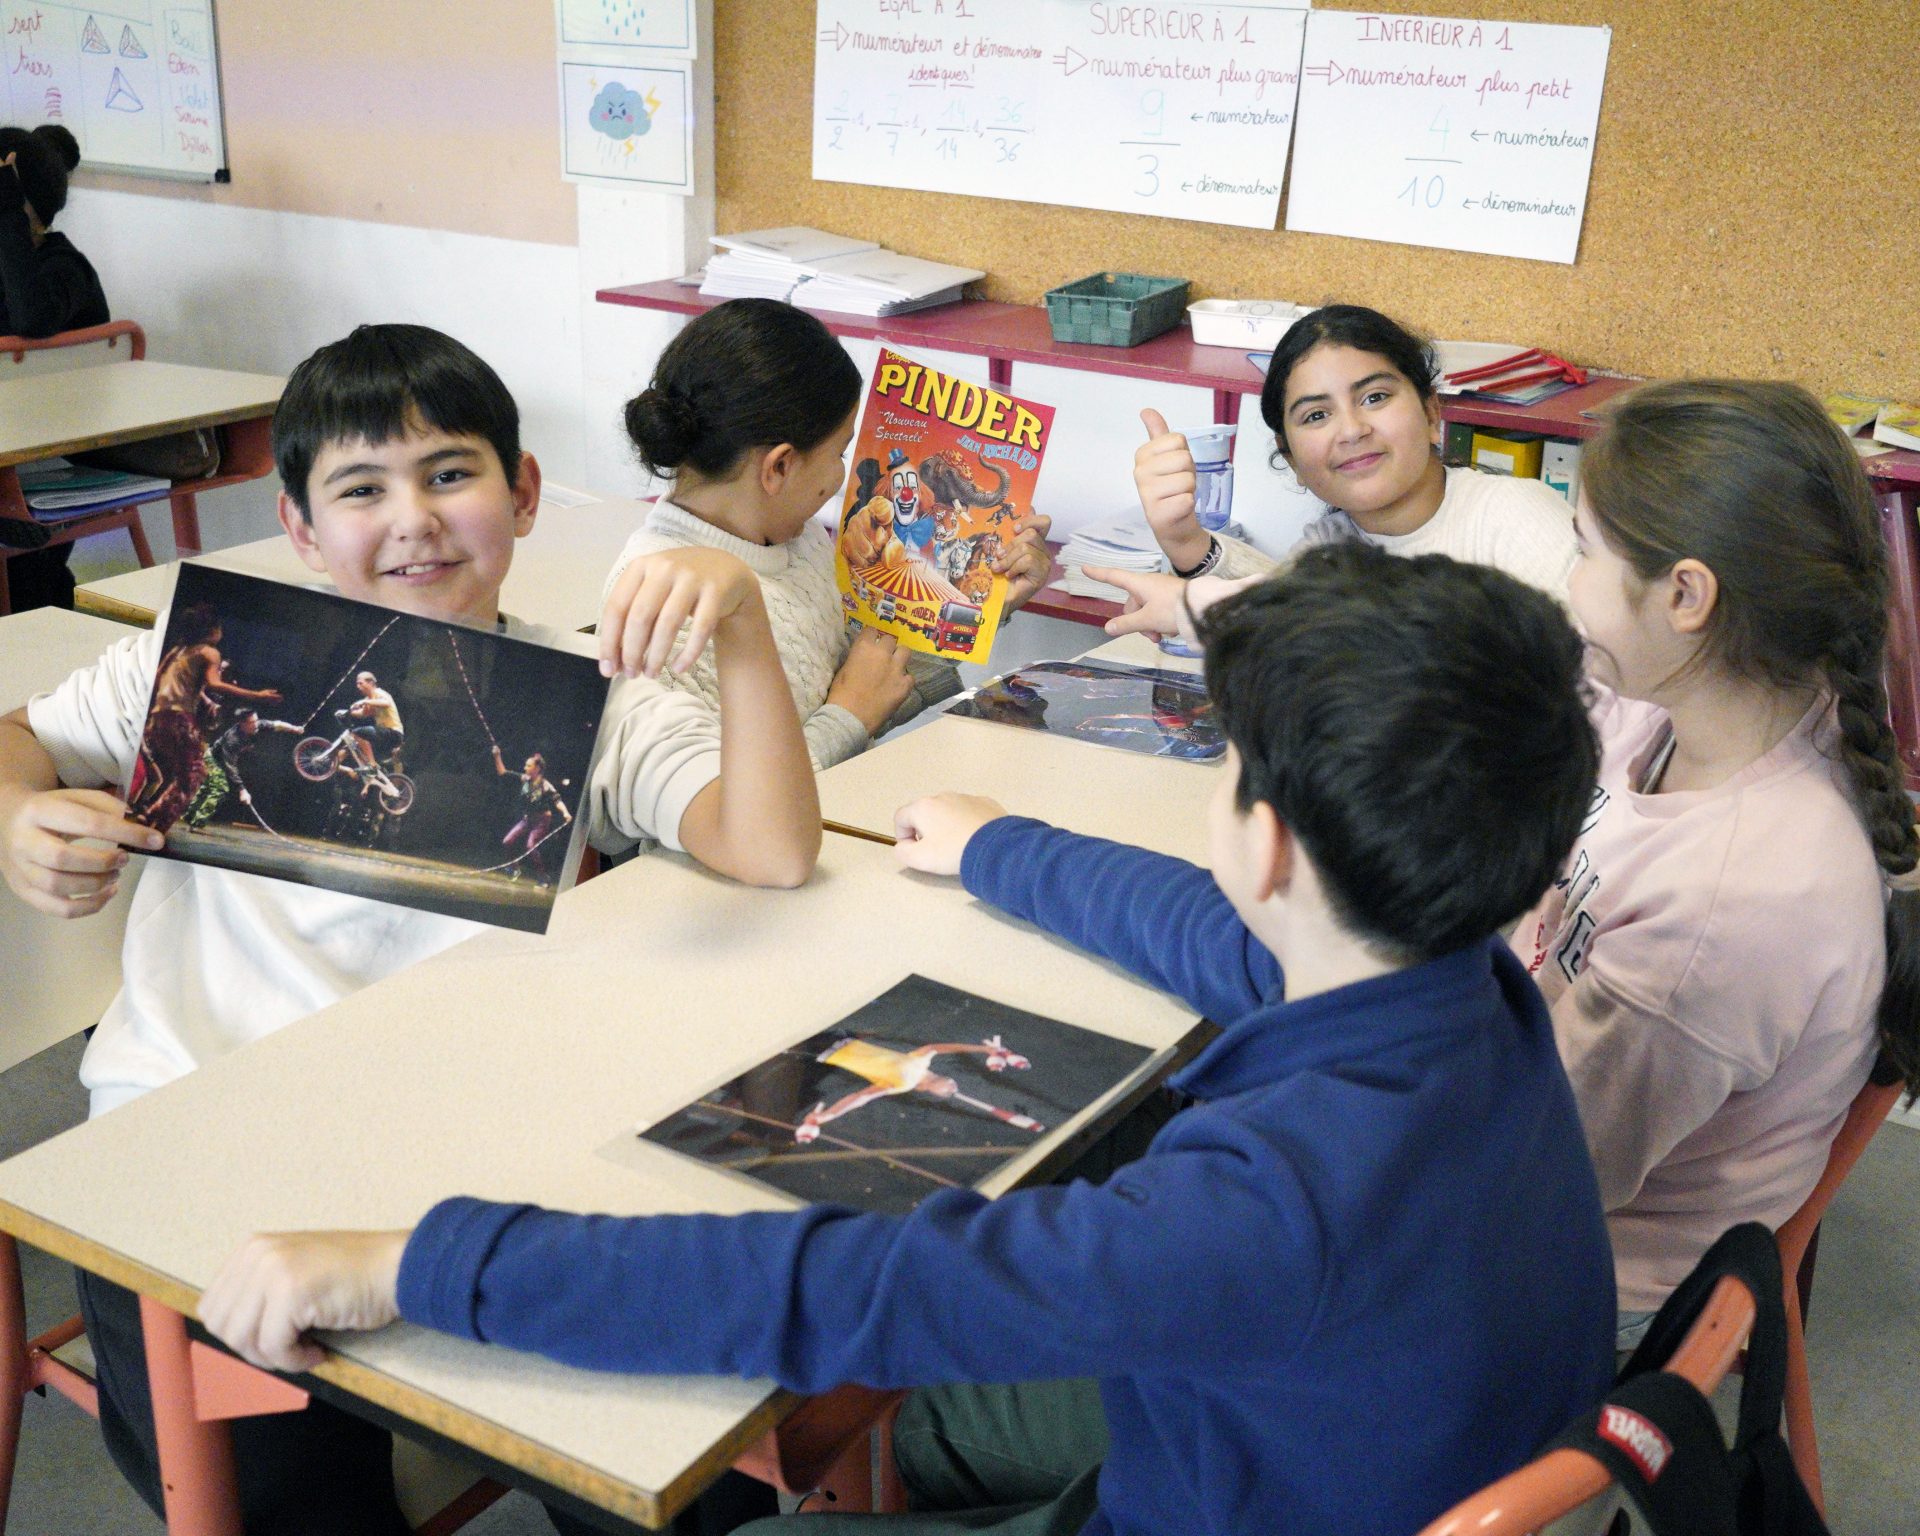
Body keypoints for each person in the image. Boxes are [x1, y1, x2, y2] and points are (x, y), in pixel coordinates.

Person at [196, 542, 1618, 1536]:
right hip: (1337, 1450)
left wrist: (417, 1260)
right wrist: (1002, 848)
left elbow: (843, 1289)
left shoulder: (1264, 1212)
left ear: (1272, 844)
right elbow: (1234, 944)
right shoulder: (1467, 994)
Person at [0, 323, 818, 1536]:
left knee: (666, 1455)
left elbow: (773, 848)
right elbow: (18, 738)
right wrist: (18, 814)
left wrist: (740, 627)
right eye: (361, 490)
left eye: (449, 474)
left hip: (469, 1140)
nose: (414, 520)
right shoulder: (199, 658)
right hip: (194, 1139)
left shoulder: (583, 697)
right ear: (297, 525)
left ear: (522, 492)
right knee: (276, 1500)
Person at [1507, 379, 1920, 1342]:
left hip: (1580, 1275)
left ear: (1687, 596)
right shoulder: (1706, 702)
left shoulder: (1720, 915)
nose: (1568, 581)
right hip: (1533, 1096)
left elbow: (1537, 1176)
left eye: (1584, 549)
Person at [596, 299, 1055, 763]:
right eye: (840, 453)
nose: (842, 474)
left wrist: (985, 605)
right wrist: (849, 718)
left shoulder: (800, 538)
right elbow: (720, 804)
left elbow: (866, 689)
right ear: (779, 467)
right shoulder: (664, 612)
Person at [1088, 303, 1579, 637]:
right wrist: (1183, 541)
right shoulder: (1328, 550)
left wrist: (1205, 610)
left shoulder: (1516, 517)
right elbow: (1286, 602)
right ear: (1292, 460)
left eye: (1375, 397)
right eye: (1316, 416)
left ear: (1432, 414)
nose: (1351, 430)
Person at [0, 122, 108, 611]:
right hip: (14, 458)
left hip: (53, 463)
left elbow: (31, 320)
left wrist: (10, 214)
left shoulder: (65, 269)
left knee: (31, 580)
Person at [123, 603, 283, 832]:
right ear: (211, 630)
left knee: (182, 774)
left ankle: (151, 814)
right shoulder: (209, 652)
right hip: (179, 719)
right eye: (219, 628)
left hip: (157, 719)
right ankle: (157, 824)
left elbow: (157, 680)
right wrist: (257, 695)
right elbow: (214, 683)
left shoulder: (178, 651)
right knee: (195, 775)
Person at [183, 708, 302, 830]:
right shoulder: (233, 740)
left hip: (224, 760)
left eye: (256, 720)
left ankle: (189, 816)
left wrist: (294, 728)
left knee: (209, 786)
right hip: (213, 759)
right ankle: (196, 822)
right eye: (252, 722)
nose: (256, 724)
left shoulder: (258, 726)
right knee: (220, 788)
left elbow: (278, 724)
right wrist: (242, 790)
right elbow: (230, 767)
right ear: (242, 724)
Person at [490, 745, 572, 884]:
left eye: (528, 766)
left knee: (530, 845)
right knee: (507, 841)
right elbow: (502, 771)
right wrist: (497, 755)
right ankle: (514, 868)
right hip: (527, 819)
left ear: (537, 768)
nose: (525, 768)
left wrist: (566, 813)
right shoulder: (525, 779)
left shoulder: (545, 785)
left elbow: (557, 801)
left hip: (542, 821)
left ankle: (542, 877)